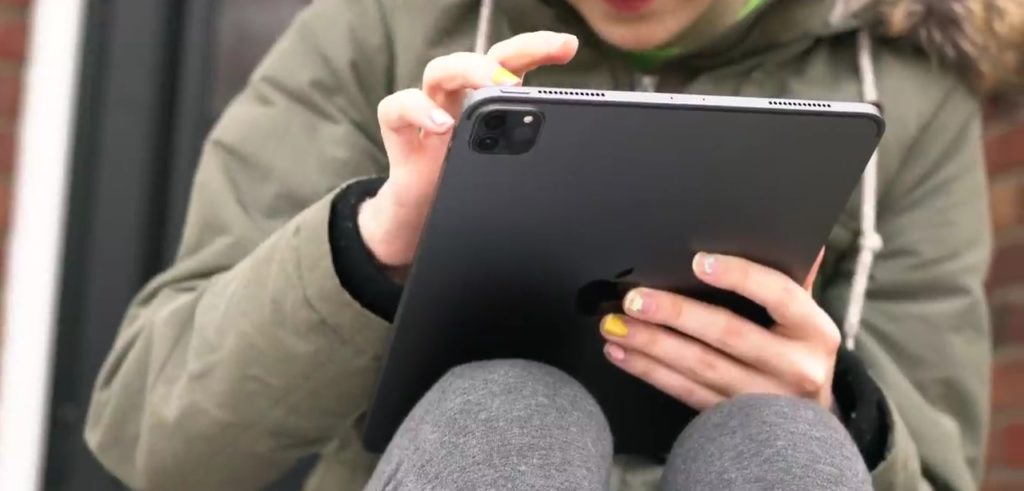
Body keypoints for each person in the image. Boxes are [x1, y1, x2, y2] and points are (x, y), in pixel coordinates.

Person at [84, 0, 1021, 489]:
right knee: (509, 411)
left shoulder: (912, 90)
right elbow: (154, 440)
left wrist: (838, 414)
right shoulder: (379, 25)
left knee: (779, 443)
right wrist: (372, 246)